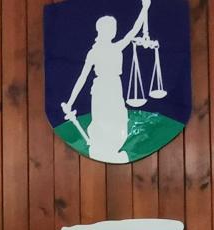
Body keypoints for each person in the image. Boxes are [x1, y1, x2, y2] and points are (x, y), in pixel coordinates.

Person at [60, 0, 154, 162]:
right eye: (111, 28)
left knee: (118, 119)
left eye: (114, 28)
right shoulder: (94, 52)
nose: (113, 31)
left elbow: (134, 31)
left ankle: (113, 151)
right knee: (103, 120)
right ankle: (103, 150)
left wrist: (145, 8)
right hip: (102, 89)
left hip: (114, 88)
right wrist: (70, 102)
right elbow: (82, 78)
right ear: (102, 31)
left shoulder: (116, 47)